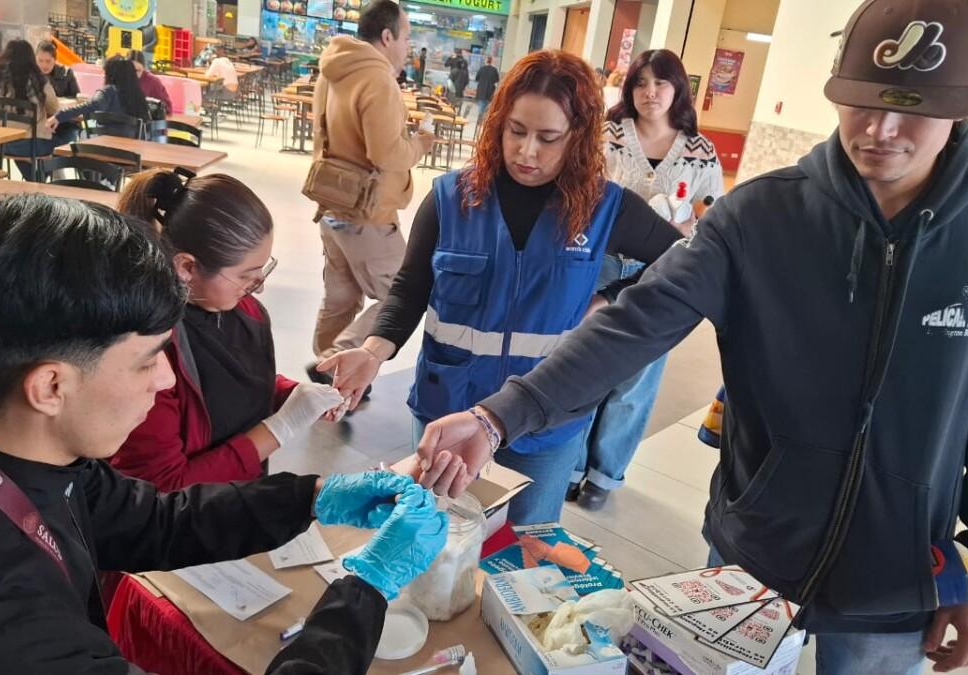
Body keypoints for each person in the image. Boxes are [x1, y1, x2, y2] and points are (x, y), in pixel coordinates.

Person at [414, 1, 968, 673]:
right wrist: (499, 414)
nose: (880, 130)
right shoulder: (760, 217)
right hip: (755, 558)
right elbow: (635, 323)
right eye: (861, 102)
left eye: (912, 107)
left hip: (900, 580)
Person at [0, 192, 448, 673]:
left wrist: (311, 497)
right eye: (147, 359)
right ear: (51, 386)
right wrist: (364, 587)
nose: (165, 380)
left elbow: (154, 518)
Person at [320, 50, 681, 525]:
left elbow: (680, 260)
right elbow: (410, 287)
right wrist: (373, 350)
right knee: (433, 537)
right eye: (517, 131)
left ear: (578, 137)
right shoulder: (452, 198)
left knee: (526, 551)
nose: (527, 152)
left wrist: (611, 299)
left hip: (544, 421)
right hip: (447, 410)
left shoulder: (604, 208)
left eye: (548, 138)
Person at [114, 169, 347, 490]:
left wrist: (292, 395)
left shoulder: (245, 312)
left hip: (239, 501)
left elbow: (237, 384)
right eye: (245, 275)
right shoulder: (149, 353)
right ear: (187, 267)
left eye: (264, 268)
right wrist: (280, 427)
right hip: (185, 523)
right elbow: (163, 489)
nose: (258, 287)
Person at [571, 49, 725, 511]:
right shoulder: (606, 136)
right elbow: (579, 193)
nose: (650, 92)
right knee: (580, 363)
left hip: (661, 273)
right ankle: (570, 463)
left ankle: (604, 473)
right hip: (598, 265)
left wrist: (687, 230)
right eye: (640, 83)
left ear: (678, 89)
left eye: (661, 83)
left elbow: (714, 215)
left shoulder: (699, 150)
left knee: (636, 379)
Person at [304, 0, 433, 388]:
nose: (408, 45)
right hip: (367, 211)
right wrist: (420, 142)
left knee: (341, 296)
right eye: (406, 36)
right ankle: (334, 361)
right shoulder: (377, 78)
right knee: (405, 288)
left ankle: (330, 374)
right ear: (387, 36)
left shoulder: (334, 68)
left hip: (332, 200)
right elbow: (387, 153)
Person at [0, 39, 60, 181]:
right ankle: (39, 180)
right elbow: (54, 108)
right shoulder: (37, 79)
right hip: (31, 145)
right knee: (63, 140)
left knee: (22, 138)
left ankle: (35, 181)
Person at [50, 56, 153, 140]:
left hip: (106, 148)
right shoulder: (139, 95)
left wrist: (59, 116)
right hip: (133, 153)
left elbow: (92, 105)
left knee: (83, 132)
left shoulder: (109, 91)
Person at [128, 49, 173, 116]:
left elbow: (168, 109)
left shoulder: (153, 82)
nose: (134, 74)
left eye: (138, 70)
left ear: (143, 68)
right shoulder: (120, 79)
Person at [472, 56, 499, 126]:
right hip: (490, 91)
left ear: (486, 61)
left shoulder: (482, 69)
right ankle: (485, 122)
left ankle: (480, 121)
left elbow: (477, 78)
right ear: (491, 61)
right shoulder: (494, 70)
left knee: (481, 106)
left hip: (481, 90)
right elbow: (497, 80)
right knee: (487, 107)